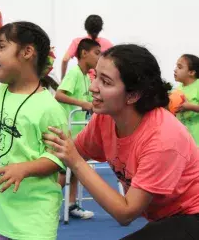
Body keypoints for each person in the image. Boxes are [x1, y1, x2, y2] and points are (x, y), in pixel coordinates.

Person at [43, 44, 199, 239]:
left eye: (106, 82)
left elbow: (125, 213)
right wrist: (24, 168)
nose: (93, 87)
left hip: (191, 215)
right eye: (95, 76)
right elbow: (67, 154)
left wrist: (75, 162)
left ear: (133, 95)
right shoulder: (105, 118)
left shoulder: (162, 137)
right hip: (163, 217)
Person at [0, 21, 68, 240]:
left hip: (33, 219)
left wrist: (25, 168)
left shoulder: (49, 108)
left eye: (1, 46)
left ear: (27, 52)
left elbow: (58, 158)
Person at [56, 38, 100, 219]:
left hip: (78, 132)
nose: (99, 57)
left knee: (74, 170)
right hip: (67, 131)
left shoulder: (85, 75)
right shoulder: (74, 73)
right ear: (84, 54)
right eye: (96, 53)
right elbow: (59, 94)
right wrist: (82, 103)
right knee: (61, 173)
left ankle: (71, 205)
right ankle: (47, 204)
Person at [61, 14, 113, 80]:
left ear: (86, 27)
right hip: (99, 81)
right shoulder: (107, 44)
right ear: (100, 28)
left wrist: (62, 78)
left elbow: (65, 59)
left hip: (81, 79)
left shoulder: (78, 41)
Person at [173, 54, 199, 145]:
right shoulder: (177, 90)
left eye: (179, 67)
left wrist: (190, 106)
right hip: (183, 139)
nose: (175, 69)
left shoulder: (197, 86)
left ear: (191, 72)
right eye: (176, 66)